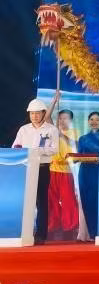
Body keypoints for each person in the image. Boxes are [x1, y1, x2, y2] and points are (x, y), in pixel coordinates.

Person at [12, 99, 59, 245]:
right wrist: (19, 150)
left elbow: (55, 149)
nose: (34, 116)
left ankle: (40, 235)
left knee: (41, 201)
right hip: (24, 169)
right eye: (32, 113)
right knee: (24, 201)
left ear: (44, 113)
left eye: (37, 113)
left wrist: (38, 151)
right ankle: (23, 232)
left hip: (42, 168)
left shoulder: (51, 130)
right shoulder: (23, 129)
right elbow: (15, 146)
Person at [43, 101, 80, 241]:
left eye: (65, 118)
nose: (62, 120)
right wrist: (54, 100)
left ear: (70, 120)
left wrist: (61, 134)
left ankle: (69, 227)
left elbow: (74, 145)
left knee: (68, 200)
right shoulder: (53, 130)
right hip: (52, 169)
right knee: (50, 200)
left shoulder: (74, 132)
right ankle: (53, 226)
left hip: (66, 170)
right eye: (60, 118)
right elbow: (46, 117)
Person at [76, 111, 99, 241]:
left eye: (97, 119)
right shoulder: (83, 138)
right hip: (85, 172)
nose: (94, 122)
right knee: (86, 201)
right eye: (91, 119)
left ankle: (98, 231)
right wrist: (74, 158)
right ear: (88, 121)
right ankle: (90, 233)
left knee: (97, 200)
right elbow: (79, 155)